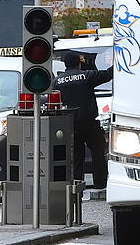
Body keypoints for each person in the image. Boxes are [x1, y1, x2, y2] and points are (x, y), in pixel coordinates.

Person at [54, 50, 113, 196]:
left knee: (76, 158)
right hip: (89, 124)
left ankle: (77, 188)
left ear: (65, 64)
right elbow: (107, 74)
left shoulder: (57, 81)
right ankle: (100, 183)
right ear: (79, 63)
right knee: (98, 153)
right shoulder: (86, 76)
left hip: (69, 125)